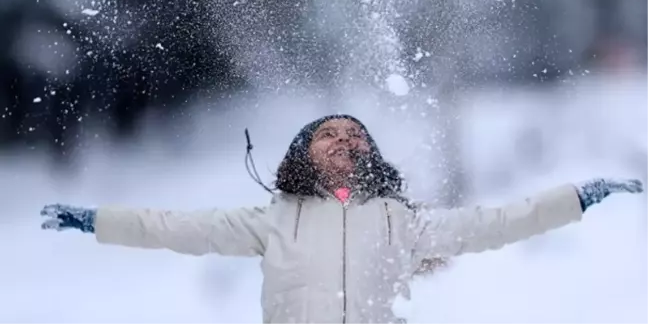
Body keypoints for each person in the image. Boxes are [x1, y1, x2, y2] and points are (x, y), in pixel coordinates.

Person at [41, 114, 643, 324]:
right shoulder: (271, 220)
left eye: (355, 135)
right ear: (302, 153)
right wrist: (95, 220)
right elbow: (171, 225)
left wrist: (578, 197)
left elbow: (498, 221)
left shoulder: (402, 222)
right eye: (326, 134)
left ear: (371, 154)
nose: (342, 141)